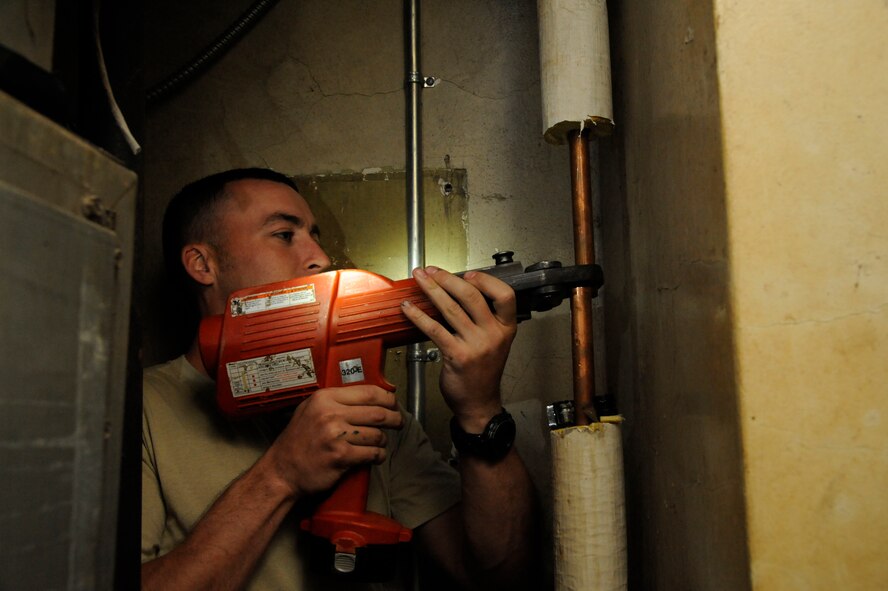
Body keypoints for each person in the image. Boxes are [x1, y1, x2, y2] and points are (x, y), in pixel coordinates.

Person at [141, 168, 538, 590]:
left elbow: (496, 574)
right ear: (203, 264)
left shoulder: (369, 411)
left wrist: (479, 410)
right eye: (284, 235)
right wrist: (281, 474)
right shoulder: (140, 409)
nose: (320, 257)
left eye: (315, 234)